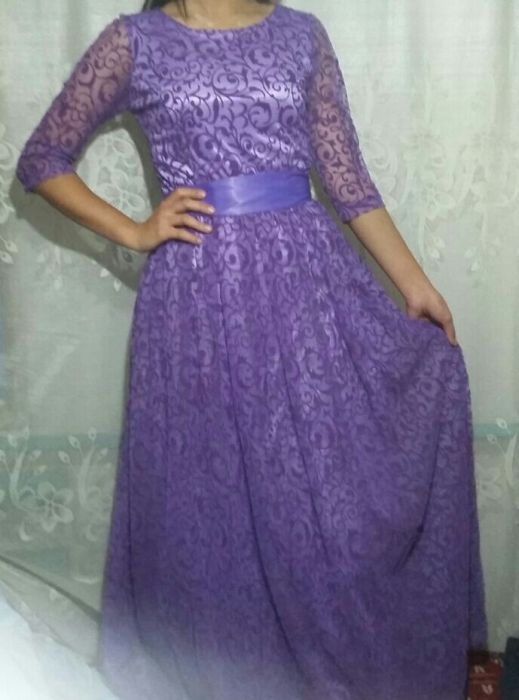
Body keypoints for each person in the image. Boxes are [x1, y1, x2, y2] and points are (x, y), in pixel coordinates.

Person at [15, 1, 488, 698]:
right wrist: (135, 231)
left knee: (319, 504)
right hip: (194, 312)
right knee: (210, 510)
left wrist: (416, 286)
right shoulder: (135, 41)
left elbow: (348, 181)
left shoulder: (301, 35)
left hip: (306, 297)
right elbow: (41, 159)